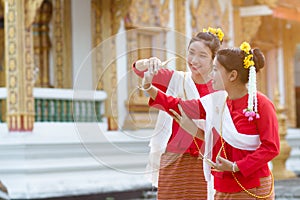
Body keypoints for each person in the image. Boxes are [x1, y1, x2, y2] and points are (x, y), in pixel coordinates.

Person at [141, 41, 280, 199]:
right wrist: (148, 86)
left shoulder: (261, 104)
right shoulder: (216, 102)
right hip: (221, 187)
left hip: (252, 186)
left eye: (215, 69)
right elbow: (177, 105)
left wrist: (236, 166)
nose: (210, 74)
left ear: (232, 75)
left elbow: (271, 147)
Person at [133, 27, 224, 199]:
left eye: (202, 56)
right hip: (174, 156)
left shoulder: (219, 88)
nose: (194, 60)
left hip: (207, 159)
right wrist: (148, 63)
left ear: (214, 59)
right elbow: (139, 70)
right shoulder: (176, 79)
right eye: (191, 53)